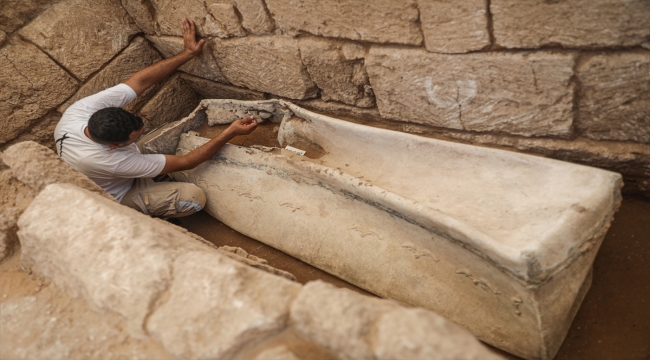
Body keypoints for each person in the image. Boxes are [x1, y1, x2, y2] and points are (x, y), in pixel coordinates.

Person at [54, 18, 258, 219]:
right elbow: (186, 162)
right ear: (115, 146)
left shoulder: (80, 111)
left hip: (122, 165)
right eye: (134, 137)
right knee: (194, 198)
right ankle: (143, 213)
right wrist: (229, 132)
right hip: (122, 192)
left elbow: (139, 82)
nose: (143, 130)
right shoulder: (108, 160)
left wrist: (187, 53)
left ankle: (157, 173)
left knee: (176, 132)